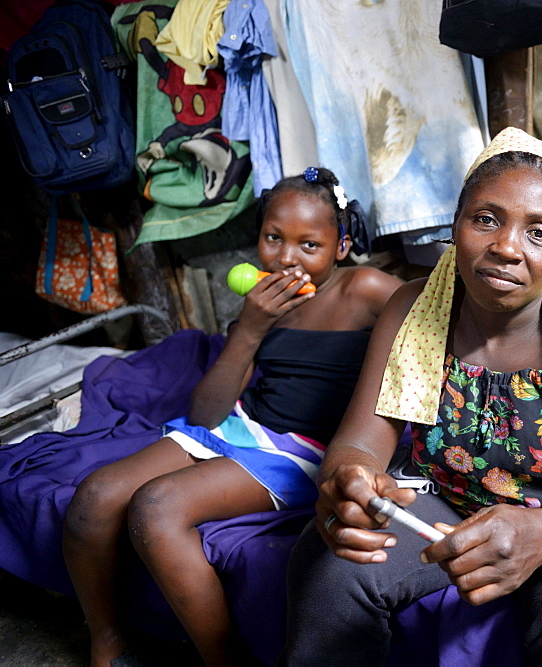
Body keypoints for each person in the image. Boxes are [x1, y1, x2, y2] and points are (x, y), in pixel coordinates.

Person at [282, 128, 542, 664]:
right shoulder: (414, 309)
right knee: (328, 568)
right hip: (445, 505)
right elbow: (361, 440)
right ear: (455, 224)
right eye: (486, 219)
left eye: (539, 232)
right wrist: (348, 477)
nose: (507, 247)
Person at [62, 167, 403, 666]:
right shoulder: (261, 303)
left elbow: (433, 312)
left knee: (155, 507)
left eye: (309, 245)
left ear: (342, 244)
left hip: (306, 449)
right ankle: (108, 641)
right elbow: (205, 413)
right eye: (273, 238)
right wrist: (249, 328)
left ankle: (224, 660)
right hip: (241, 426)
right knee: (93, 498)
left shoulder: (364, 288)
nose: (287, 258)